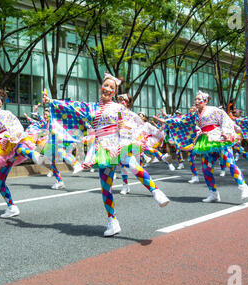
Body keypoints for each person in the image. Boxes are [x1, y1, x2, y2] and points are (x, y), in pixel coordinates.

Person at [43, 73, 170, 237]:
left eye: (112, 87)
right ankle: (112, 221)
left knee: (132, 165)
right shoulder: (91, 107)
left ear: (115, 92)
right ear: (101, 87)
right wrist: (51, 102)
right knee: (105, 186)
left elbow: (133, 123)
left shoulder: (118, 108)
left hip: (118, 143)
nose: (108, 89)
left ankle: (156, 192)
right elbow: (71, 107)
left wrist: (129, 133)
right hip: (102, 147)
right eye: (106, 86)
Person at [161, 90, 248, 202]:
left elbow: (225, 120)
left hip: (219, 139)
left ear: (205, 101)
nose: (196, 101)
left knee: (230, 163)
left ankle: (243, 187)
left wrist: (226, 133)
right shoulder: (194, 114)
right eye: (195, 99)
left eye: (199, 99)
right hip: (205, 142)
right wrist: (167, 121)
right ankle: (213, 193)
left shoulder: (214, 110)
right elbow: (182, 120)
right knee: (206, 169)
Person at [0, 89, 46, 218]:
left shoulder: (5, 113)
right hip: (2, 151)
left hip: (11, 142)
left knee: (19, 148)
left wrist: (12, 137)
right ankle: (11, 207)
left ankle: (36, 156)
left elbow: (16, 127)